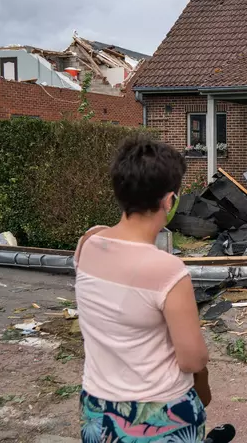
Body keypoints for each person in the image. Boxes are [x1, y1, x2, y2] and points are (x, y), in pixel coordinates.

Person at [74, 134, 211, 442]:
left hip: (98, 409)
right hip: (160, 414)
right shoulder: (168, 270)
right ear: (169, 201)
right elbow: (192, 359)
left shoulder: (88, 243)